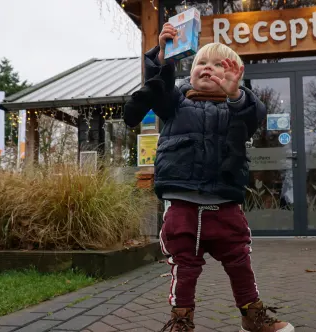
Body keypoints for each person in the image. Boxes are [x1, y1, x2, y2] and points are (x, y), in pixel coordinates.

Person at [123, 22, 294, 332]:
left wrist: (236, 94)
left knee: (240, 262)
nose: (208, 68)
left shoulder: (237, 106)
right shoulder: (176, 102)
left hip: (225, 205)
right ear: (190, 72)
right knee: (184, 267)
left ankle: (252, 316)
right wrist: (162, 55)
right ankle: (181, 321)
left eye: (219, 65)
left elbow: (254, 115)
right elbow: (158, 85)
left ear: (234, 75)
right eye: (201, 63)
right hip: (183, 206)